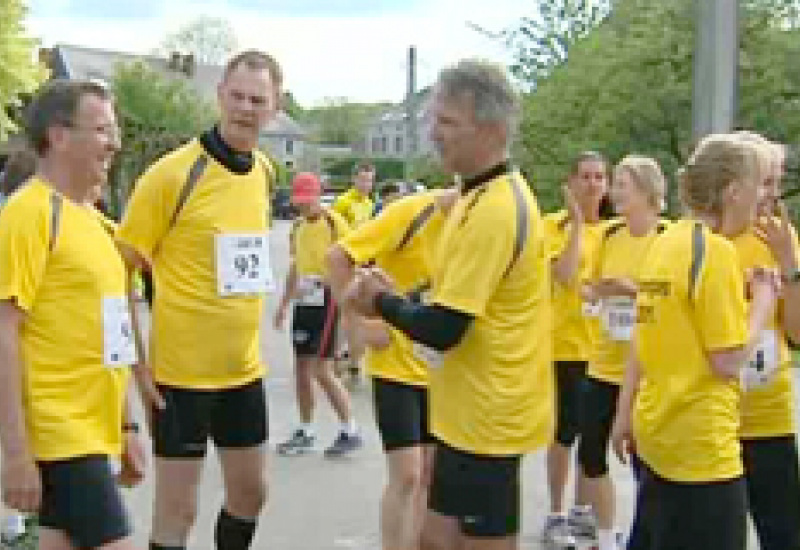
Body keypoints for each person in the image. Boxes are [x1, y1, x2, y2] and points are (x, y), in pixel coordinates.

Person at [345, 59, 553, 550]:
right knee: (434, 539)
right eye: (432, 119)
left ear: (492, 130)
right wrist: (398, 294)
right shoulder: (469, 199)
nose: (433, 134)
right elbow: (452, 292)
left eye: (447, 122)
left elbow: (446, 327)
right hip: (461, 410)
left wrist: (383, 302)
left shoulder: (498, 208)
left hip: (492, 418)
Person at [116, 50, 280, 550]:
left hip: (243, 371)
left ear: (274, 107)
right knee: (177, 511)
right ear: (219, 96)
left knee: (251, 494)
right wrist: (136, 368)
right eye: (237, 96)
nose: (245, 108)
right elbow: (116, 275)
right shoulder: (172, 175)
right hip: (181, 377)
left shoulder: (265, 172)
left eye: (258, 99)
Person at [611, 134, 779, 550]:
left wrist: (624, 412)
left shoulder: (664, 243)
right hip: (702, 450)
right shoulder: (716, 253)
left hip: (657, 436)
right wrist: (762, 304)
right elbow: (726, 361)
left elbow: (652, 334)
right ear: (733, 191)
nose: (762, 198)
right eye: (758, 185)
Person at [0, 79, 145, 550]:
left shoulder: (94, 220)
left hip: (94, 432)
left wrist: (125, 427)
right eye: (102, 130)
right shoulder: (29, 214)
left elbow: (113, 333)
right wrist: (16, 453)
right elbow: (4, 333)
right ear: (59, 136)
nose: (115, 143)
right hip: (60, 434)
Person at [327, 189, 446, 549]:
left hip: (444, 370)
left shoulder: (480, 222)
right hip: (396, 367)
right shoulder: (413, 213)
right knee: (407, 474)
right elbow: (338, 257)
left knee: (430, 475)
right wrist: (356, 328)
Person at [577, 156, 668, 550]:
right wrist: (599, 291)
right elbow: (587, 287)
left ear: (648, 191)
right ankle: (606, 535)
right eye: (614, 184)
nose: (614, 192)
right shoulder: (611, 235)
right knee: (591, 454)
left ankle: (646, 535)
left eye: (622, 185)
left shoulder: (668, 237)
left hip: (648, 366)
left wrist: (633, 290)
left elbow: (672, 294)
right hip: (603, 362)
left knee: (644, 461)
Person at [728, 132, 800, 550]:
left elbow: (794, 333)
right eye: (765, 181)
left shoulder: (782, 240)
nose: (772, 193)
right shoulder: (709, 238)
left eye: (778, 181)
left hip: (769, 416)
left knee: (783, 534)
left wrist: (790, 268)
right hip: (716, 420)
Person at [541, 151, 611, 546]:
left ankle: (583, 509)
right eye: (585, 176)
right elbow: (564, 275)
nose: (592, 184)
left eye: (600, 177)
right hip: (565, 344)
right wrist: (578, 227)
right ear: (571, 181)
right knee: (564, 430)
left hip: (603, 346)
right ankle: (554, 511)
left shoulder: (617, 230)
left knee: (594, 434)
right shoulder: (556, 225)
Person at [273, 172, 363, 457]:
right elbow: (295, 266)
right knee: (301, 367)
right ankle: (306, 429)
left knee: (322, 369)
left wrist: (342, 298)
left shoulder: (335, 223)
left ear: (318, 196)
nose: (303, 207)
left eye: (307, 201)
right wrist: (284, 304)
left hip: (328, 301)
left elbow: (354, 263)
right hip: (305, 301)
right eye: (299, 202)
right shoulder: (297, 227)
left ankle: (350, 429)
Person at [332, 162, 376, 228]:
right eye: (362, 180)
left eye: (369, 181)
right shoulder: (341, 201)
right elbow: (332, 227)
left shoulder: (369, 203)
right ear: (353, 179)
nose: (366, 185)